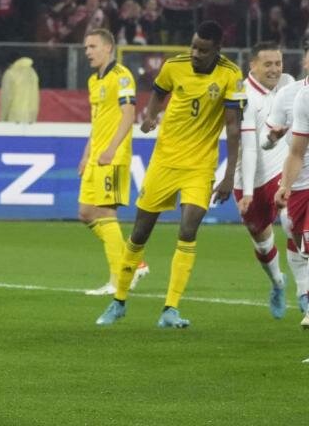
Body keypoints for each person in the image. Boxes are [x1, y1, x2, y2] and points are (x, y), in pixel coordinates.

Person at [96, 21, 245, 328]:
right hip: (164, 161)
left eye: (203, 50)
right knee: (139, 233)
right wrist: (151, 115)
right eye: (193, 46)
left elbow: (233, 128)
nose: (194, 53)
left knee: (188, 230)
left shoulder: (230, 74)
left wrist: (230, 175)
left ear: (217, 49)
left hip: (201, 165)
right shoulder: (173, 66)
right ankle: (119, 301)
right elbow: (158, 92)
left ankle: (170, 309)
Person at [77, 29, 149, 296]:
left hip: (113, 156)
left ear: (108, 48)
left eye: (93, 46)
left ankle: (119, 279)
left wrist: (111, 149)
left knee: (106, 214)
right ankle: (135, 263)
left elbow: (128, 116)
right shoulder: (93, 81)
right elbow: (97, 123)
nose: (88, 52)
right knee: (85, 213)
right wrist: (87, 154)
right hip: (96, 156)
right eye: (86, 48)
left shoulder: (122, 77)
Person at [233, 42, 294, 318]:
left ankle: (304, 293)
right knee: (262, 242)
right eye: (268, 64)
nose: (274, 69)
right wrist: (246, 191)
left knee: (294, 223)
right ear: (253, 66)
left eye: (278, 63)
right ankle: (278, 282)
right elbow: (248, 147)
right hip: (249, 178)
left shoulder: (289, 87)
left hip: (282, 171)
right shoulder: (244, 97)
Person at [263, 42, 309, 321]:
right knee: (295, 236)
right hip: (302, 184)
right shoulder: (298, 97)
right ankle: (304, 294)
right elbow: (296, 151)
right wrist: (285, 185)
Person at [0, 55, 40, 123]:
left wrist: (2, 118)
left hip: (14, 116)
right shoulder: (33, 73)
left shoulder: (10, 73)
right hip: (31, 116)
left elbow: (6, 98)